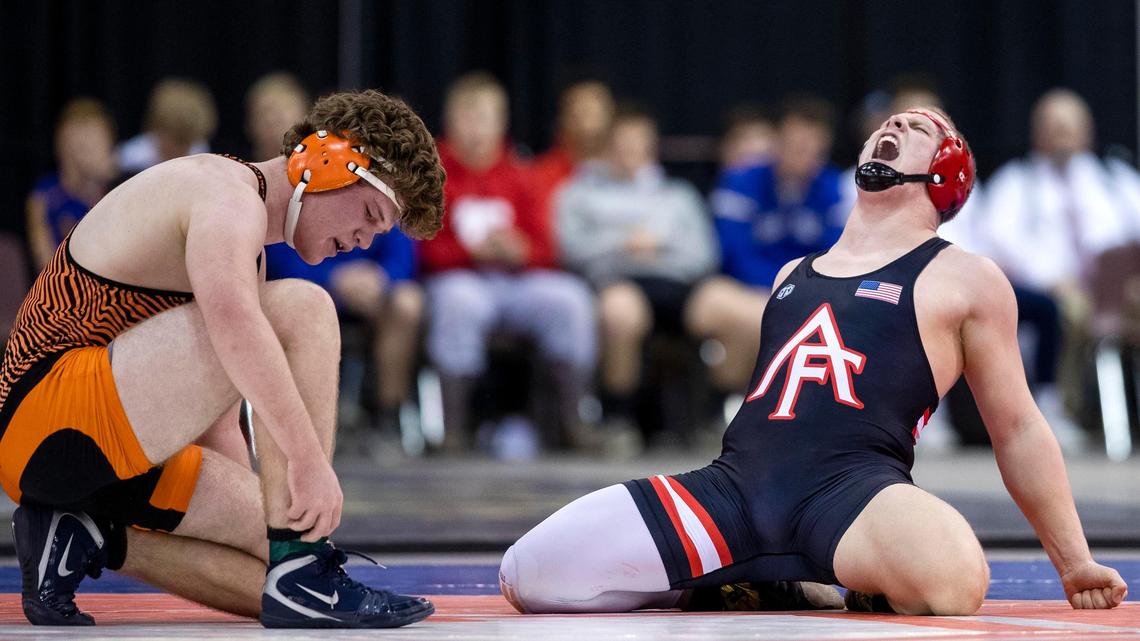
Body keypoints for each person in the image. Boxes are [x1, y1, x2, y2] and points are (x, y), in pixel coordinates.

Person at [499, 108, 1128, 616]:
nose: (894, 126)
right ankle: (764, 580)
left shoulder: (966, 277)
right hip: (735, 490)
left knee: (955, 578)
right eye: (890, 123)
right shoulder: (791, 275)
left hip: (851, 493)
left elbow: (1016, 426)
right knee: (531, 574)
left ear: (945, 171)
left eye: (918, 129)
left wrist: (1073, 561)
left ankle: (785, 576)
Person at [0, 89, 446, 628]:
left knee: (274, 560)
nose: (363, 239)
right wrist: (306, 460)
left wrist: (259, 525)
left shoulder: (247, 248)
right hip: (45, 416)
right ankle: (303, 564)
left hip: (111, 447)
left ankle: (88, 539)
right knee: (305, 308)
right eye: (372, 213)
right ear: (325, 161)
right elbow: (237, 330)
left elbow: (217, 419)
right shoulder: (223, 195)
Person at [420, 72, 596, 452]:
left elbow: (548, 248)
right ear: (450, 122)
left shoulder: (522, 174)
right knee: (459, 304)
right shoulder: (430, 174)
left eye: (484, 117)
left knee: (570, 300)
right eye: (466, 117)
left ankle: (573, 422)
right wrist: (470, 252)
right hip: (458, 278)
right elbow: (422, 247)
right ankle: (454, 429)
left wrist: (520, 251)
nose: (475, 128)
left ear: (501, 123)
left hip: (517, 282)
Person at [979, 89, 1140, 450]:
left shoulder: (1115, 179)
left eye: (1070, 127)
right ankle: (1064, 411)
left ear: (1088, 131)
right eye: (1054, 127)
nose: (1063, 135)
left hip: (1121, 294)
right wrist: (1052, 281)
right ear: (1038, 133)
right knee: (1062, 312)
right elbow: (996, 245)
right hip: (1055, 292)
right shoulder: (1016, 182)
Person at [557, 105, 718, 439]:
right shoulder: (579, 192)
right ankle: (619, 417)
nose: (631, 153)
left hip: (679, 283)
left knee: (743, 312)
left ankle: (716, 414)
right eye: (623, 144)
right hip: (617, 281)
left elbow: (704, 253)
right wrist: (622, 245)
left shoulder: (678, 195)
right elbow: (571, 249)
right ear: (608, 148)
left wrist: (659, 247)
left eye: (639, 144)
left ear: (652, 148)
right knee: (622, 312)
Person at [688, 96, 844, 393]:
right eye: (796, 143)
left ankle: (762, 403)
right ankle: (734, 400)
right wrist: (778, 289)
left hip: (805, 294)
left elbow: (835, 254)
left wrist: (791, 291)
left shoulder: (833, 188)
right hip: (743, 289)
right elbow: (732, 250)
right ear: (778, 140)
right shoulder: (740, 180)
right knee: (726, 307)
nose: (803, 153)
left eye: (813, 147)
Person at [265, 226, 424, 445]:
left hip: (373, 294)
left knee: (407, 304)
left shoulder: (387, 196)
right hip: (312, 284)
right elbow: (278, 260)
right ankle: (302, 424)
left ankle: (389, 415)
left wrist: (381, 278)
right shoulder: (306, 193)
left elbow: (404, 257)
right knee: (302, 300)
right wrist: (333, 277)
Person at [26, 98, 119, 269]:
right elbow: (46, 265)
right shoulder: (44, 197)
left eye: (99, 143)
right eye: (86, 146)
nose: (99, 152)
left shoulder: (119, 191)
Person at [529, 80, 615, 221]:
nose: (587, 126)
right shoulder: (540, 176)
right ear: (562, 122)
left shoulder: (625, 172)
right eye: (579, 115)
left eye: (595, 116)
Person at [117, 78, 217, 175]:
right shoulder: (131, 160)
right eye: (178, 141)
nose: (183, 149)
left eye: (189, 142)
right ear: (158, 129)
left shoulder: (200, 151)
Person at [246, 72, 311, 162]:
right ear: (249, 126)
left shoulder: (327, 167)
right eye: (262, 113)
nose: (271, 120)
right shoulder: (236, 172)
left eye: (283, 109)